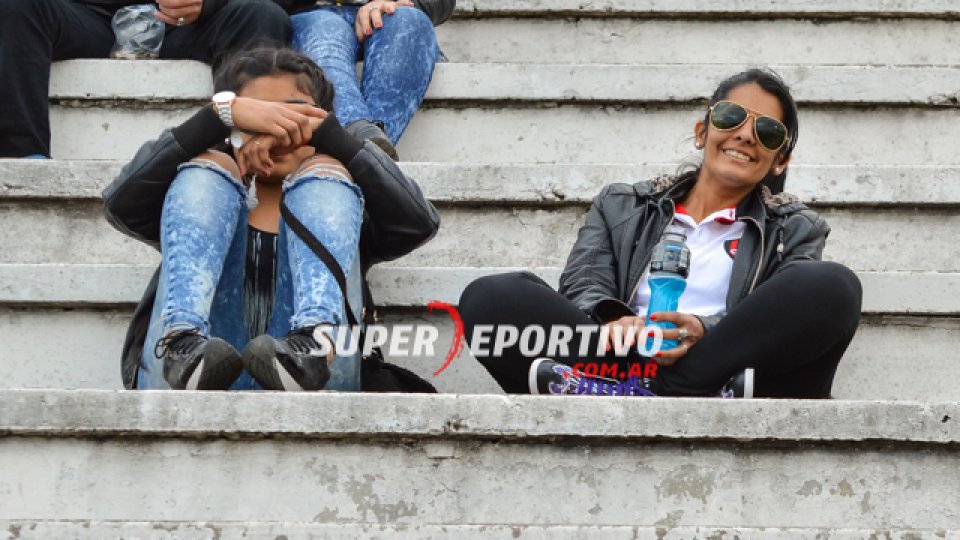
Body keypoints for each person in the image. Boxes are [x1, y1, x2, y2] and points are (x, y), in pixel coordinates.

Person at [458, 69, 863, 399]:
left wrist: (706, 329)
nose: (744, 134)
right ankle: (635, 386)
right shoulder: (621, 204)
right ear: (702, 131)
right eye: (730, 117)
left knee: (833, 286)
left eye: (768, 132)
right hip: (620, 356)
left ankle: (641, 391)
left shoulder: (795, 227)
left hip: (720, 363)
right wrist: (616, 319)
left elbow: (779, 320)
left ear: (781, 160)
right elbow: (584, 279)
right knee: (489, 297)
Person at [102, 46, 439, 391]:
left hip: (324, 383)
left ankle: (311, 349)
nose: (277, 131)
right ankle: (183, 346)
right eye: (259, 117)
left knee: (327, 173)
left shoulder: (344, 206)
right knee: (209, 167)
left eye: (293, 115)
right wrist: (216, 116)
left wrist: (334, 140)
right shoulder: (198, 201)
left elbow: (417, 224)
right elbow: (120, 203)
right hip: (174, 382)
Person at [0, 0, 290, 158]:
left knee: (262, 13)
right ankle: (22, 159)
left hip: (188, 25)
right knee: (15, 6)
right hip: (86, 19)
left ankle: (241, 156)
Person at [276, 0, 456, 159]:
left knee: (410, 19)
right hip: (312, 14)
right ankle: (363, 146)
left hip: (390, 13)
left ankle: (364, 147)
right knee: (323, 28)